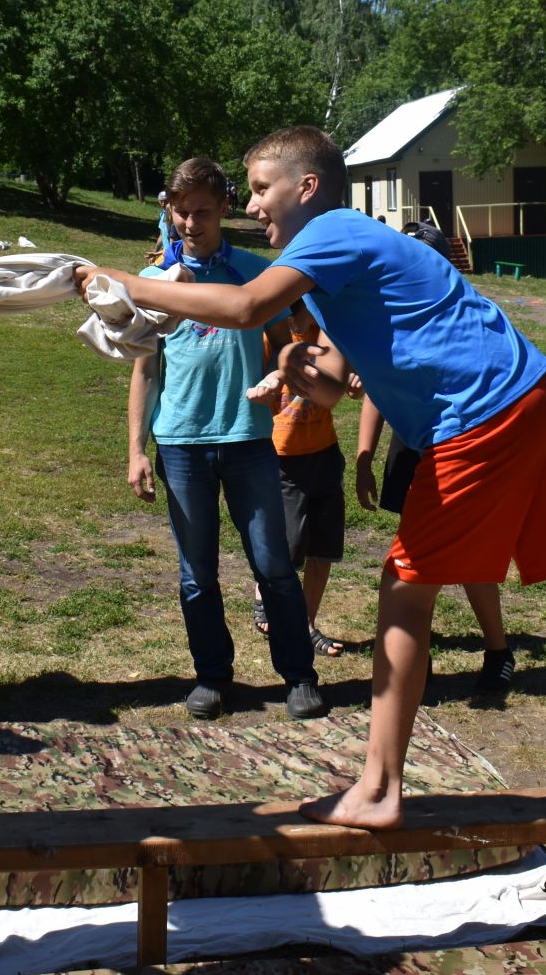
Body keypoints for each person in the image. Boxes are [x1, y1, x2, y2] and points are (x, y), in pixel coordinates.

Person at [78, 126, 546, 828]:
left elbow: (242, 307)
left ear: (307, 187)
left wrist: (123, 284)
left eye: (260, 188)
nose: (251, 205)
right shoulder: (332, 263)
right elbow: (332, 386)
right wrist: (293, 369)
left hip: (481, 411)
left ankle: (380, 788)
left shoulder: (331, 234)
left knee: (405, 588)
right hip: (533, 391)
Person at [122, 158, 323, 721]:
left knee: (274, 565)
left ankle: (298, 674)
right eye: (181, 213)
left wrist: (280, 376)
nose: (191, 224)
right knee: (196, 575)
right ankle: (212, 676)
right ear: (169, 212)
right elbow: (144, 367)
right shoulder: (156, 282)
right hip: (180, 444)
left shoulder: (258, 275)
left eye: (202, 213)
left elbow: (289, 340)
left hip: (248, 440)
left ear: (224, 209)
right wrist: (137, 449)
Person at [351, 221, 516, 704]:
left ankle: (498, 650)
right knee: (417, 554)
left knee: (472, 556)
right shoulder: (392, 309)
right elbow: (377, 391)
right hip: (414, 446)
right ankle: (417, 657)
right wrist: (364, 456)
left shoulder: (464, 311)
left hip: (463, 442)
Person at [245, 300, 353, 659]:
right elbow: (250, 394)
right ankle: (265, 596)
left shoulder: (329, 339)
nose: (295, 315)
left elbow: (349, 386)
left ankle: (306, 623)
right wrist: (263, 395)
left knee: (323, 549)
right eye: (289, 308)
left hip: (324, 453)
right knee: (288, 546)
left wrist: (355, 382)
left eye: (301, 306)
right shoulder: (270, 339)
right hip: (283, 459)